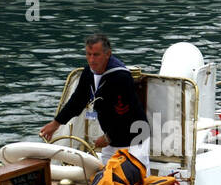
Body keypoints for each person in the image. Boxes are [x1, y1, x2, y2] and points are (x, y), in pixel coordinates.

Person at [39, 33, 150, 170]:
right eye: (88, 54)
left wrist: (109, 137)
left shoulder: (120, 77)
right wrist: (56, 123)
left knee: (135, 178)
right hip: (112, 139)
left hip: (135, 137)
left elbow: (125, 114)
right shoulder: (88, 73)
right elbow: (77, 101)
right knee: (105, 178)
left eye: (96, 55)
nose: (91, 60)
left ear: (107, 54)